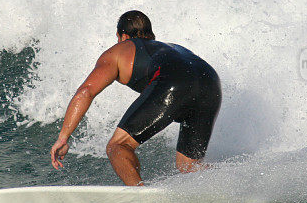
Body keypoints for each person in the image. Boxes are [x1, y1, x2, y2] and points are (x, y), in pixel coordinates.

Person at [49, 10, 222, 186]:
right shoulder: (171, 48)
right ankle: (232, 178)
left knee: (117, 146)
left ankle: (140, 195)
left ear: (122, 36)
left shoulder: (119, 50)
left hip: (174, 80)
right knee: (189, 167)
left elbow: (86, 91)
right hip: (211, 83)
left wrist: (63, 138)